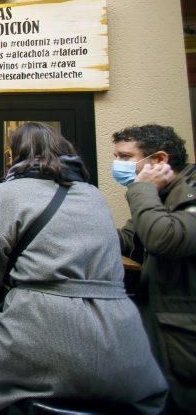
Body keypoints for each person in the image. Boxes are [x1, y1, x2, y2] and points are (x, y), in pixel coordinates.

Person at [0, 122, 167, 414]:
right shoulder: (93, 195)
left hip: (40, 328)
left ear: (15, 156)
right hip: (124, 346)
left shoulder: (4, 194)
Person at [113, 124, 196, 413]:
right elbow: (128, 240)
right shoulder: (158, 194)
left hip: (185, 338)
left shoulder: (187, 190)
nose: (118, 165)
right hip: (161, 327)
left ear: (159, 160)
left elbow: (164, 238)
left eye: (125, 157)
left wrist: (143, 189)